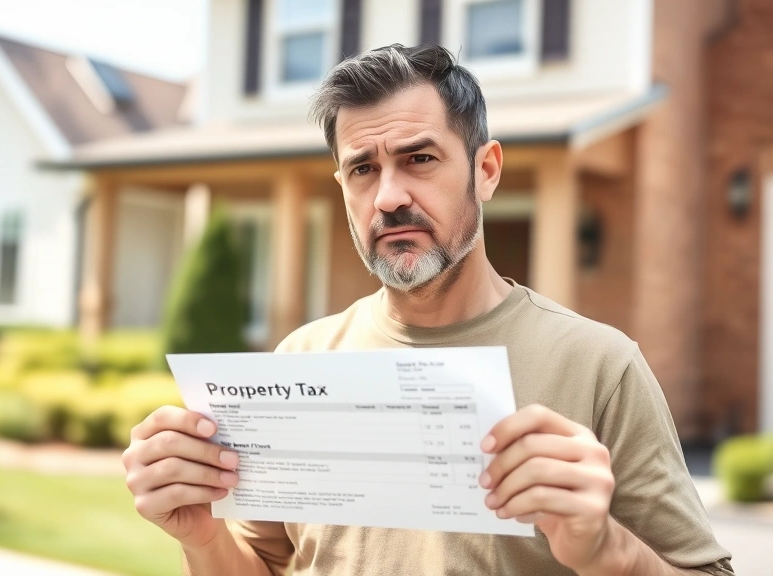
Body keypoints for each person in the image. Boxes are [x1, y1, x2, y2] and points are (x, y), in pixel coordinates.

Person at [121, 43, 734, 575]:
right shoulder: (298, 363)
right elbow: (266, 567)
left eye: (419, 159)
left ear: (486, 170)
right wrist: (201, 537)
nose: (388, 197)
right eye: (363, 169)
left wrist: (606, 549)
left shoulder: (602, 367)